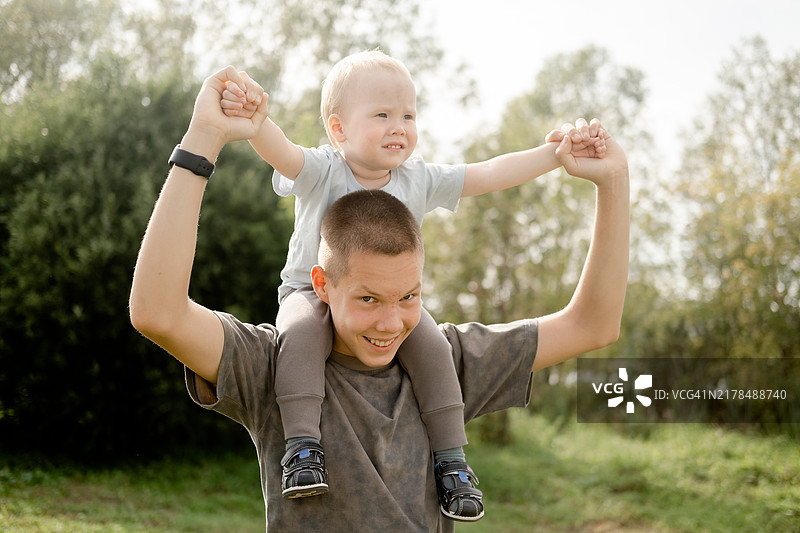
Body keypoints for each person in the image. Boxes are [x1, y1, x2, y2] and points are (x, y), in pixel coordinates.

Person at [129, 66, 628, 532]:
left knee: (428, 342)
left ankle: (453, 462)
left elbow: (593, 325)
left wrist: (610, 180)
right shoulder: (273, 363)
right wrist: (208, 136)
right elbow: (157, 312)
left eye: (409, 296)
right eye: (369, 299)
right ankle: (304, 450)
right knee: (302, 331)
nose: (392, 323)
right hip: (299, 315)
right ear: (326, 285)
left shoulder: (449, 360)